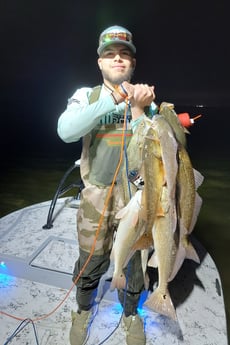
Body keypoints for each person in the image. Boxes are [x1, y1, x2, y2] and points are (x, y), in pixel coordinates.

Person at [57, 25, 157, 345]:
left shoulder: (147, 101)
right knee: (90, 261)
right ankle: (82, 311)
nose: (117, 58)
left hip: (137, 195)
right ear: (100, 62)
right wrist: (114, 98)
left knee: (135, 267)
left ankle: (130, 315)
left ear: (133, 63)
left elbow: (155, 152)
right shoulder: (85, 96)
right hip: (96, 196)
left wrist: (141, 111)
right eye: (110, 54)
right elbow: (67, 130)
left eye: (125, 54)